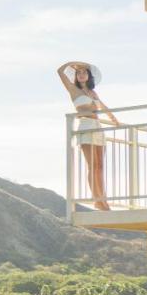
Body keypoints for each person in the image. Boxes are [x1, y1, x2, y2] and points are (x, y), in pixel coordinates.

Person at [57, 61, 119, 211]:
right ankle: (97, 200)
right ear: (76, 76)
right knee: (92, 165)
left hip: (98, 127)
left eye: (85, 72)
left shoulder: (93, 92)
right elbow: (60, 71)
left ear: (89, 76)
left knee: (100, 166)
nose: (82, 75)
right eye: (79, 73)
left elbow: (103, 107)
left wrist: (115, 121)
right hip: (85, 126)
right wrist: (74, 63)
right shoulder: (73, 90)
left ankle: (103, 200)